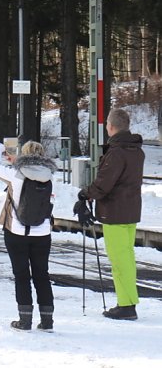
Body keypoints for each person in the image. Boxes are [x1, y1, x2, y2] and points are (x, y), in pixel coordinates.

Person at [79, 107, 144, 321]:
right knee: (127, 257)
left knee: (119, 260)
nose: (106, 126)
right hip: (131, 211)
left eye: (107, 123)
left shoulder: (116, 152)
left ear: (112, 126)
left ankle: (126, 305)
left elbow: (104, 183)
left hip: (114, 212)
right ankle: (128, 301)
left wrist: (86, 194)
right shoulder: (136, 150)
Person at [0, 140, 56, 331]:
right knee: (42, 275)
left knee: (21, 275)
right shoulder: (51, 176)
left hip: (17, 232)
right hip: (43, 233)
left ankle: (25, 320)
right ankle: (47, 320)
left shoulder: (15, 175)